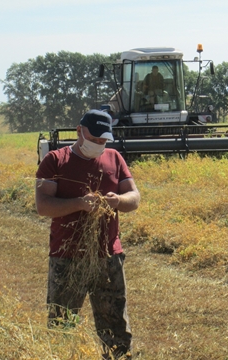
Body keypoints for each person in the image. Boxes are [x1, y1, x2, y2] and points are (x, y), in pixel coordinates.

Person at [35, 109, 140, 359]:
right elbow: (43, 206)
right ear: (79, 131)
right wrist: (80, 203)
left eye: (103, 141)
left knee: (115, 323)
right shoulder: (54, 161)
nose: (99, 146)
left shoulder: (114, 158)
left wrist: (118, 201)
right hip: (67, 256)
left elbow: (134, 198)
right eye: (95, 140)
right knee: (62, 323)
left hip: (107, 256)